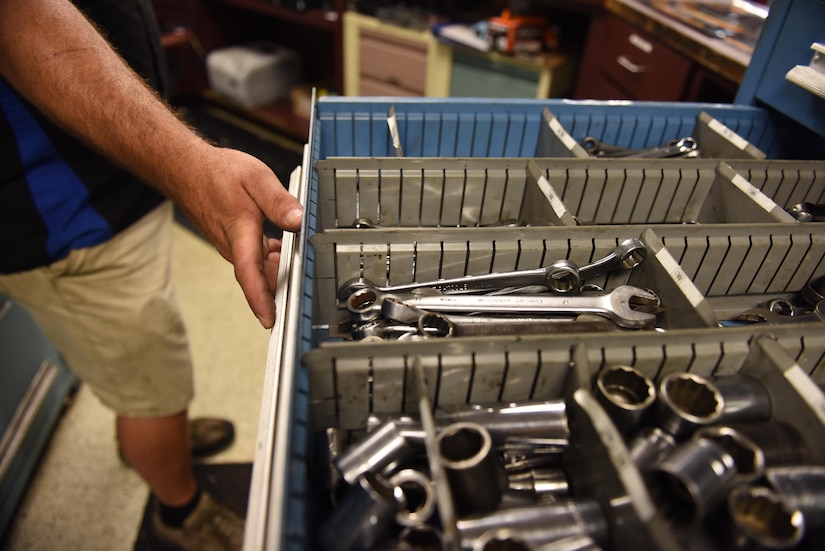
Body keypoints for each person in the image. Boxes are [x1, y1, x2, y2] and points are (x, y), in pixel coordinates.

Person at [0, 0, 303, 549]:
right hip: (69, 218)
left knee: (147, 355)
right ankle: (179, 508)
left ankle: (156, 435)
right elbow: (18, 19)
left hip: (113, 179)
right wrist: (188, 165)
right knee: (150, 382)